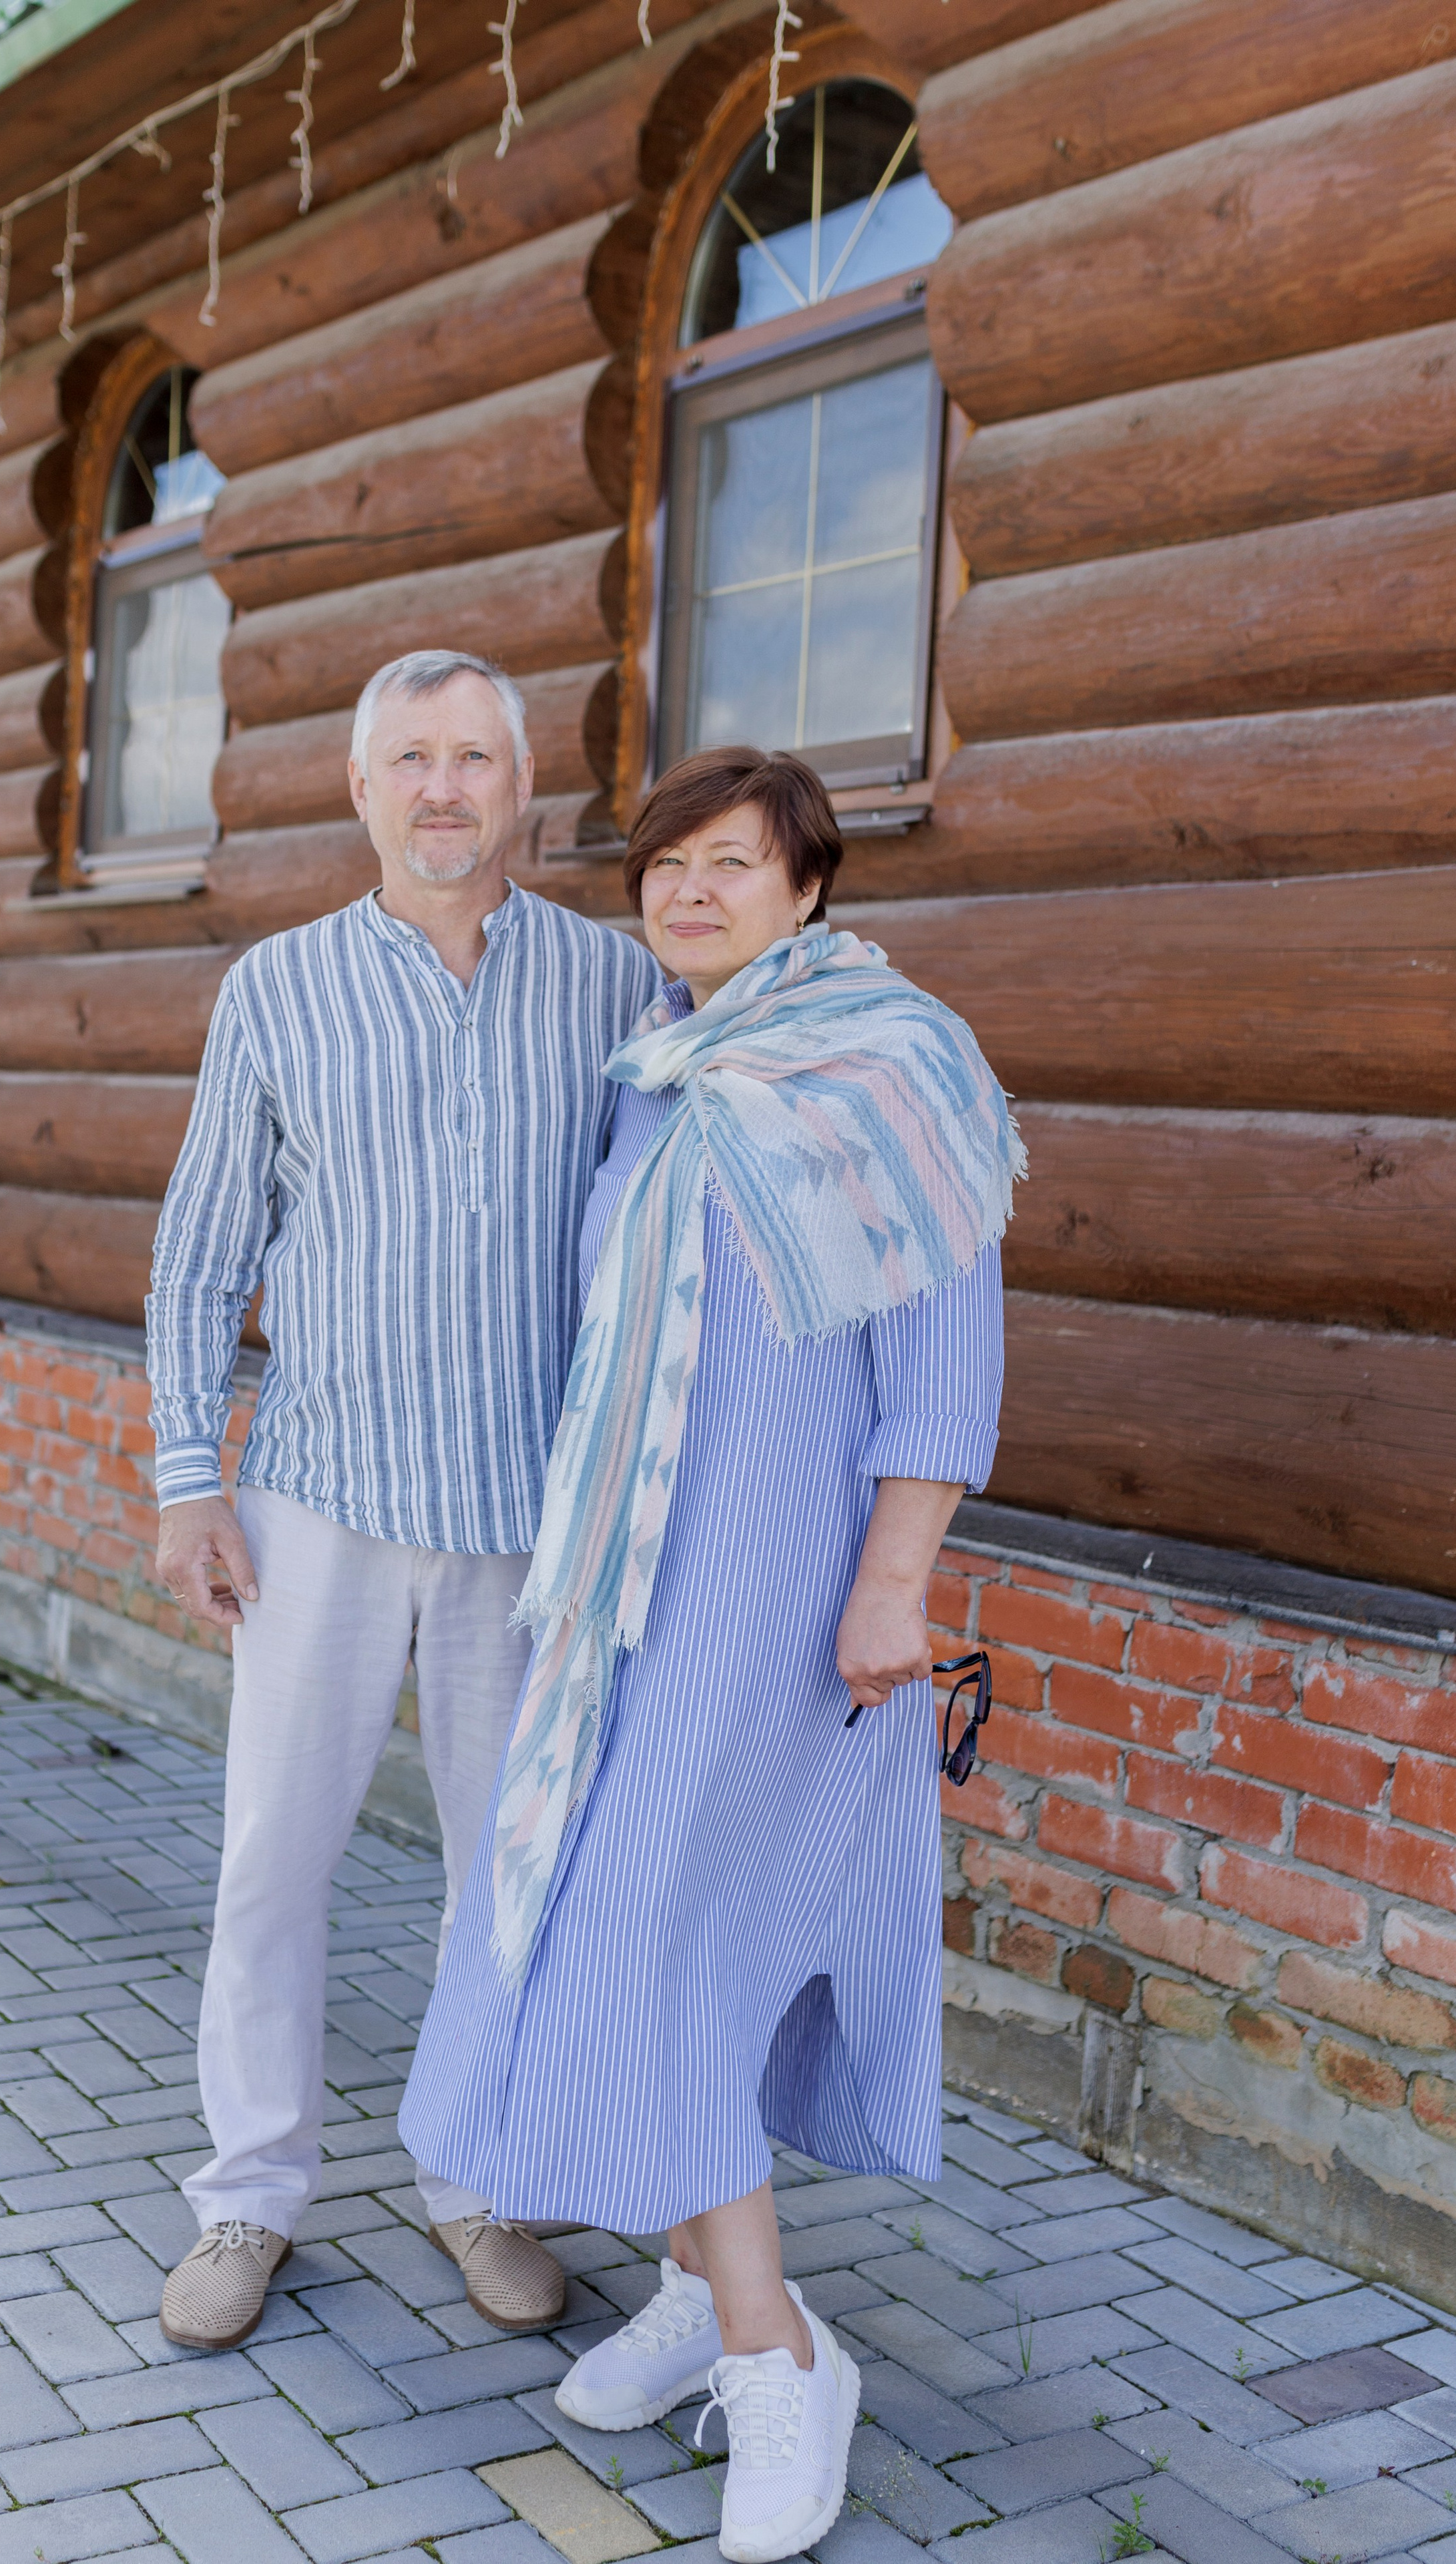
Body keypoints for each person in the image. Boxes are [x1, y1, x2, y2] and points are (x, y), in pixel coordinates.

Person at [400, 746, 1019, 2564]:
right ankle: (702, 2281)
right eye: (665, 866)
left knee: (669, 1938)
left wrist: (896, 1582)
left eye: (728, 864)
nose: (685, 893)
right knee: (641, 1934)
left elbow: (944, 1366)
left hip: (789, 1605)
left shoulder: (902, 1072)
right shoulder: (659, 1083)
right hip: (629, 1606)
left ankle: (773, 2352)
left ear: (807, 888)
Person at [146, 649, 660, 2352]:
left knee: (498, 1876)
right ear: (360, 790)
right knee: (271, 1866)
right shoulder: (275, 991)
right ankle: (246, 2197)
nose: (443, 789)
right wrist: (184, 1481)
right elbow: (200, 1256)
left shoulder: (613, 984)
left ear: (525, 789)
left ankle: (476, 2180)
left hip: (526, 1518)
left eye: (474, 759)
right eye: (409, 760)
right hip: (318, 1504)